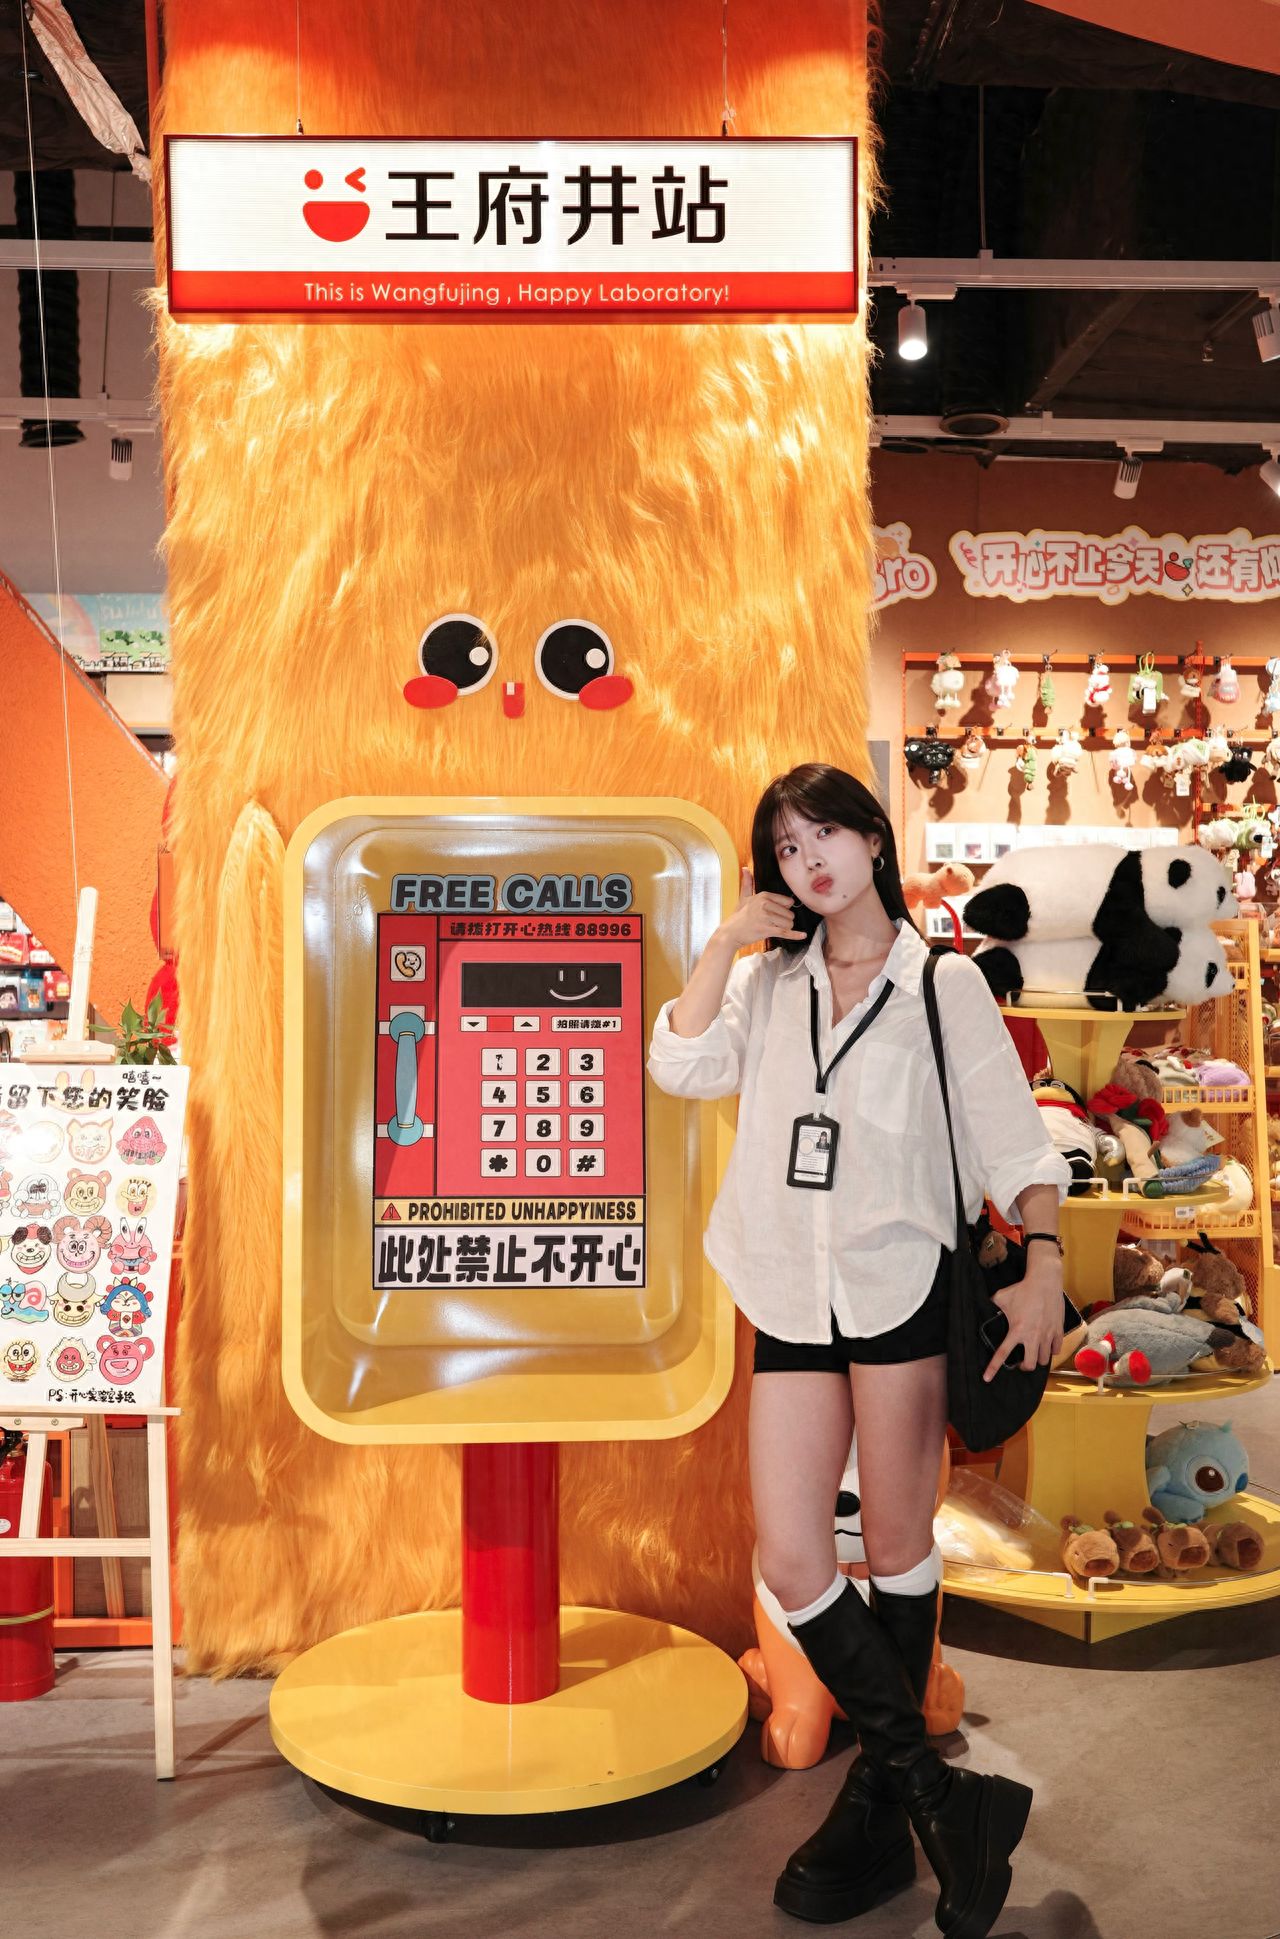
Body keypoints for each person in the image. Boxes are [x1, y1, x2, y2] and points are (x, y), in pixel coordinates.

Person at [647, 763, 1070, 1939]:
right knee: (792, 1555)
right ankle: (935, 1790)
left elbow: (1016, 1148)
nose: (809, 859)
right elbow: (677, 1063)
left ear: (873, 838)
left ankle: (884, 1801)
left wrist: (1041, 1262)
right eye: (784, 848)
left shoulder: (940, 985)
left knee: (891, 1547)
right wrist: (728, 940)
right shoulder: (768, 986)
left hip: (895, 1283)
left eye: (824, 831)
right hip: (787, 1287)